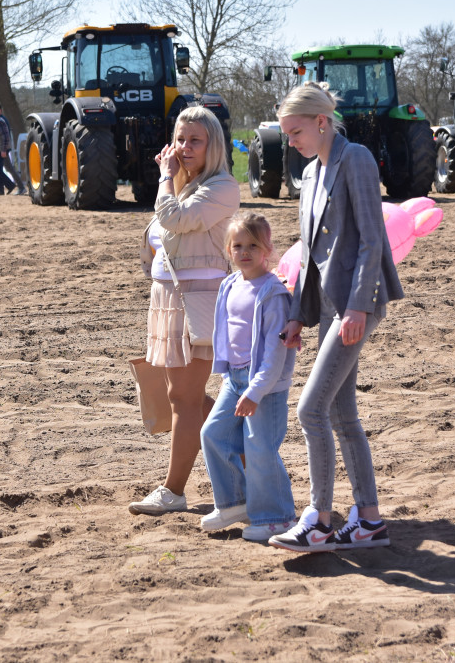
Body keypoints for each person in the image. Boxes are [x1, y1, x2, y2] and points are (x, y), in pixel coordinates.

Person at [267, 82, 404, 553]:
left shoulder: (356, 159)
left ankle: (319, 521)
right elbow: (309, 254)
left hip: (354, 305)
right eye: (287, 133)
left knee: (311, 409)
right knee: (343, 413)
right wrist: (297, 316)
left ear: (322, 122)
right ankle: (369, 521)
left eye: (295, 132)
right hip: (327, 307)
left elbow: (371, 239)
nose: (290, 141)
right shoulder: (309, 174)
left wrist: (359, 306)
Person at [129, 106, 240, 515]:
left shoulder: (221, 187)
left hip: (200, 299)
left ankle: (173, 490)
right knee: (183, 395)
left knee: (184, 398)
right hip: (169, 298)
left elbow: (174, 220)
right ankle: (249, 460)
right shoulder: (182, 186)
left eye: (195, 140)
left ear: (213, 145)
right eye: (180, 139)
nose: (184, 147)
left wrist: (164, 177)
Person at [199, 212, 297, 542]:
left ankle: (278, 517)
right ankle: (234, 502)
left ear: (267, 249)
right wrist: (227, 372)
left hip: (265, 386)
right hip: (234, 379)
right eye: (238, 245)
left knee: (260, 448)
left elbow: (275, 353)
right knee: (213, 433)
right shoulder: (230, 284)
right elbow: (226, 331)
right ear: (228, 249)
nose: (244, 252)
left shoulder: (273, 293)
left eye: (253, 245)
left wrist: (255, 391)